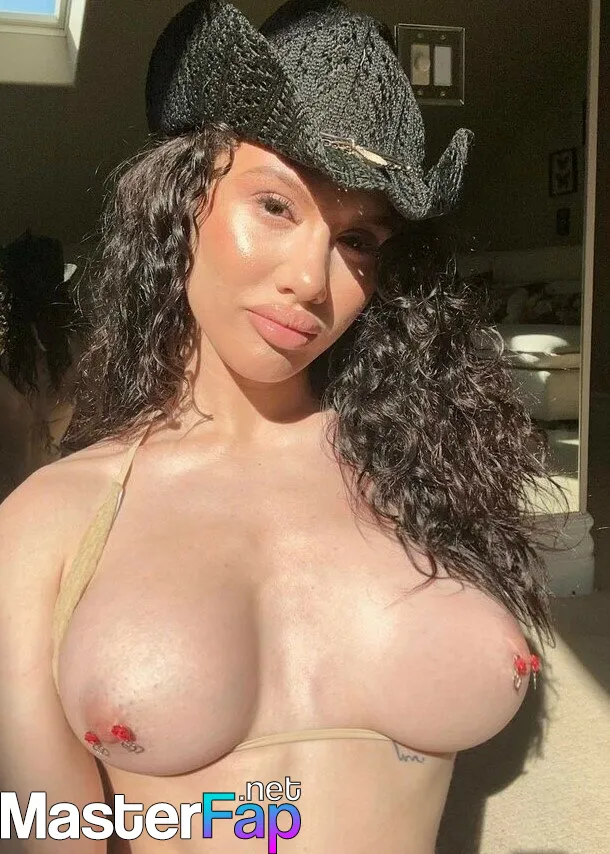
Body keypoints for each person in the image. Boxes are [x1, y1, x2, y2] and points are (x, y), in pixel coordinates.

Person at [0, 2, 561, 852]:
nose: (311, 278)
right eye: (275, 206)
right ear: (181, 201)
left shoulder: (431, 470)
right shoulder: (50, 524)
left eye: (358, 239)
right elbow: (43, 829)